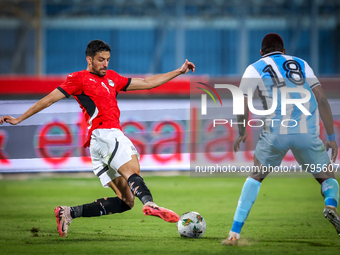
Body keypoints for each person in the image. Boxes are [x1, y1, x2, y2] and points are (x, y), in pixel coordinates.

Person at [0, 39, 195, 237]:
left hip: (97, 144)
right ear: (89, 59)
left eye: (108, 59)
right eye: (101, 60)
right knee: (132, 170)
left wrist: (178, 72)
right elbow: (48, 100)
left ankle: (68, 213)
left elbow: (147, 83)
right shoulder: (78, 79)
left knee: (126, 201)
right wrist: (19, 119)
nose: (105, 64)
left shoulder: (112, 78)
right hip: (105, 134)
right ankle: (150, 204)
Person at [222, 33, 340, 245]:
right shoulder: (302, 64)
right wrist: (331, 137)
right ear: (284, 51)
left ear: (261, 52)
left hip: (275, 134)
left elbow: (241, 104)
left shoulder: (254, 68)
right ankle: (330, 204)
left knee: (255, 177)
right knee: (328, 178)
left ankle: (234, 233)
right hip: (306, 133)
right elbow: (322, 99)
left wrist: (242, 131)